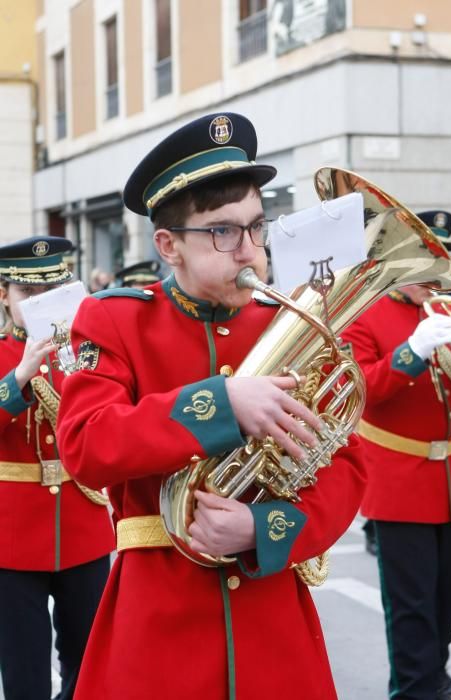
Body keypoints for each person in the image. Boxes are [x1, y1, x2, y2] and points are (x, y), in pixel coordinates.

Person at [56, 112, 366, 700]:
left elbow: (346, 466)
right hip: (157, 626)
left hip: (274, 627)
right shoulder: (116, 319)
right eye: (223, 232)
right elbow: (86, 445)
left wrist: (262, 528)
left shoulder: (288, 326)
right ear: (168, 245)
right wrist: (217, 403)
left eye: (256, 227)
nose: (248, 251)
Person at [342, 210, 451, 700]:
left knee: (449, 599)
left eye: (439, 263)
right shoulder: (364, 317)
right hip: (401, 482)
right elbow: (361, 391)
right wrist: (410, 352)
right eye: (424, 262)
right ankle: (415, 687)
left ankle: (431, 674)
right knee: (411, 604)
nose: (434, 276)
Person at [0, 236, 115, 700]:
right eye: (28, 294)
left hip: (82, 525)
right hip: (12, 536)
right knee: (24, 671)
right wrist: (21, 376)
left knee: (88, 664)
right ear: (3, 295)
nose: (40, 304)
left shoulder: (87, 354)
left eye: (53, 290)